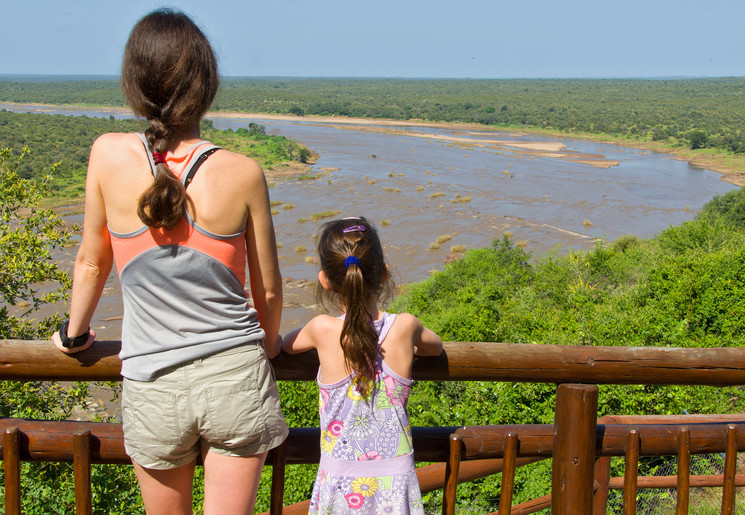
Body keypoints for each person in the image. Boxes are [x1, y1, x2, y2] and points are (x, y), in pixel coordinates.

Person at [51, 9, 287, 514]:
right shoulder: (243, 172)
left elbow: (92, 263)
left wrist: (75, 335)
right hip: (236, 378)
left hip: (153, 385)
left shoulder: (107, 155)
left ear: (134, 84)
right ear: (206, 84)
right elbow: (267, 290)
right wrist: (269, 347)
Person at [282, 217, 443, 514]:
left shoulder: (320, 329)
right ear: (383, 274)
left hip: (339, 482)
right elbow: (436, 347)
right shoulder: (406, 326)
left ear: (325, 280)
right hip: (395, 483)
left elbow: (286, 346)